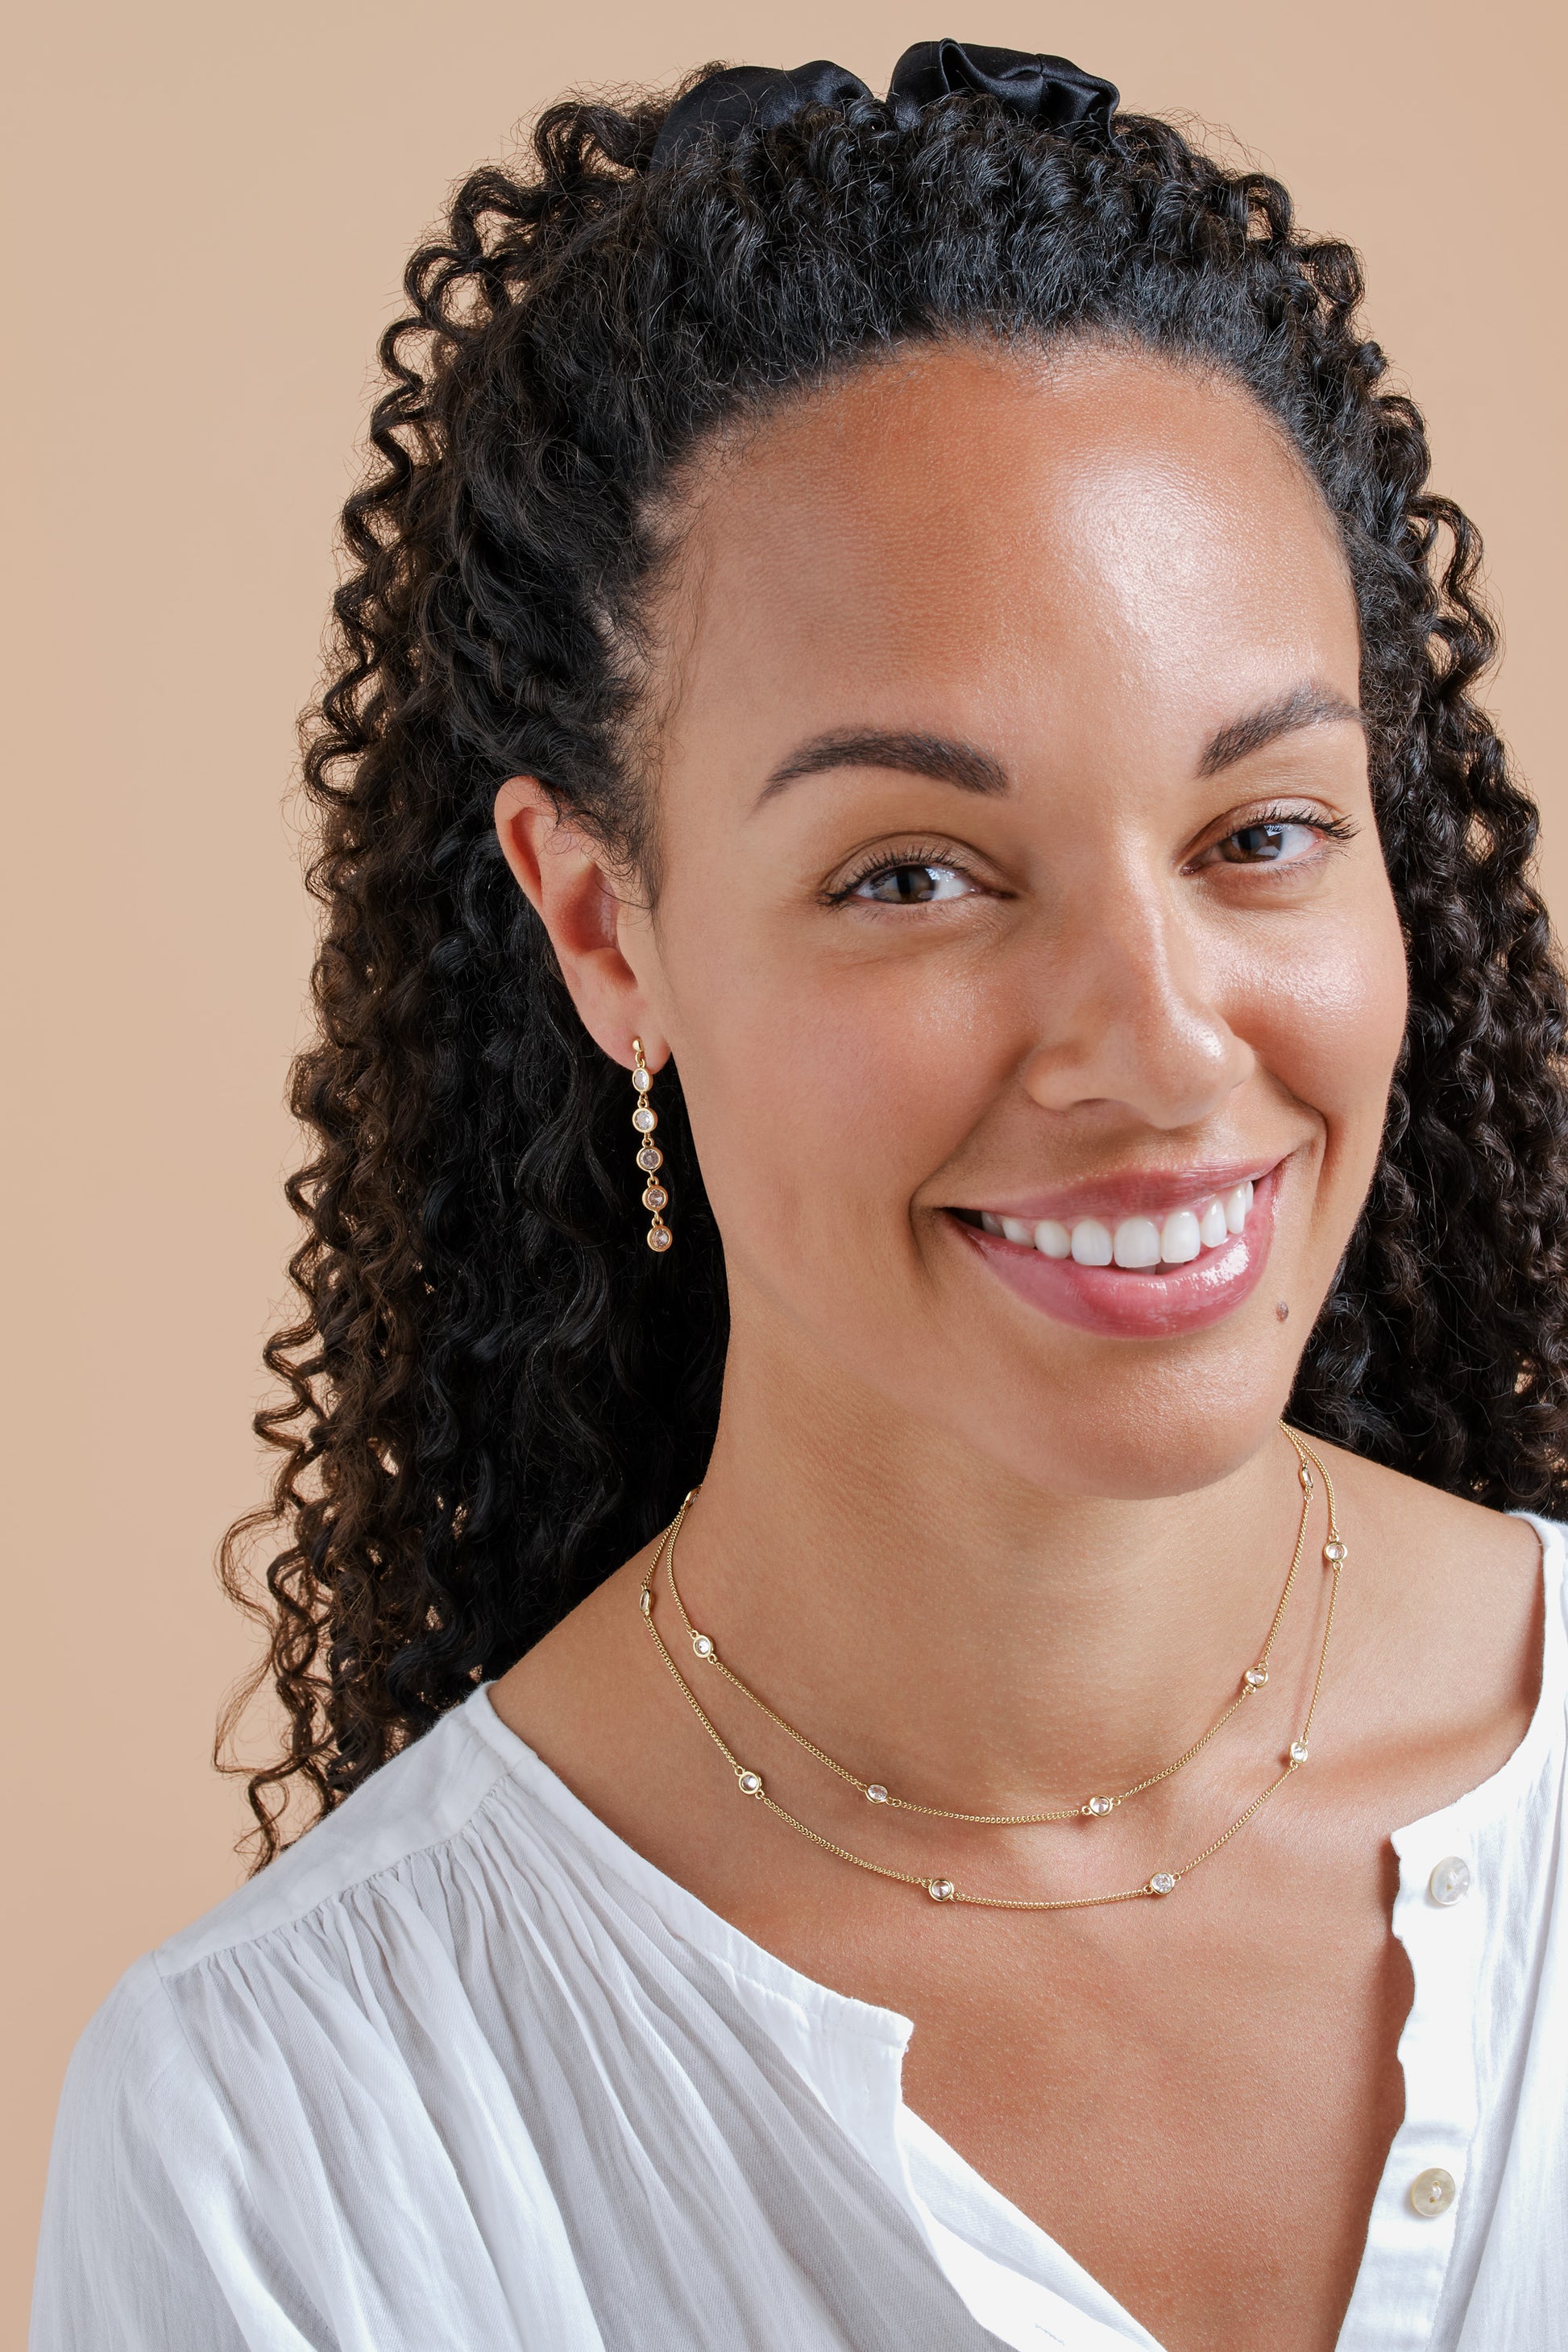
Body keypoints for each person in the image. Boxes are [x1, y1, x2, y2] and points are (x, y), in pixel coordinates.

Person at [31, 41, 1568, 2352]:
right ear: (602, 925)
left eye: (1259, 832)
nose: (1157, 1046)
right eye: (915, 872)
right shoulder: (305, 2131)